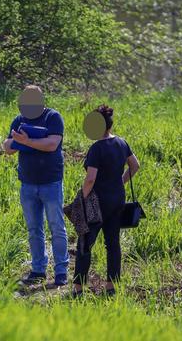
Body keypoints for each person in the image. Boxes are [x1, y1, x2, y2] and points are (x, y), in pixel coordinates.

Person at [3, 85, 69, 286]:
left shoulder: (53, 117)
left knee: (56, 227)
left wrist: (26, 141)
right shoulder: (19, 119)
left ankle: (61, 272)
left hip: (51, 182)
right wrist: (19, 142)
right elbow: (7, 147)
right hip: (28, 183)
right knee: (34, 229)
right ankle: (38, 270)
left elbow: (52, 145)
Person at [72, 105, 140, 298]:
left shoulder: (96, 149)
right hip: (117, 199)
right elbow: (135, 165)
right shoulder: (121, 143)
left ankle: (78, 288)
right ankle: (111, 286)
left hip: (96, 203)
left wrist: (83, 198)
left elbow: (91, 178)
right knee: (113, 243)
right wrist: (121, 181)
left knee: (85, 243)